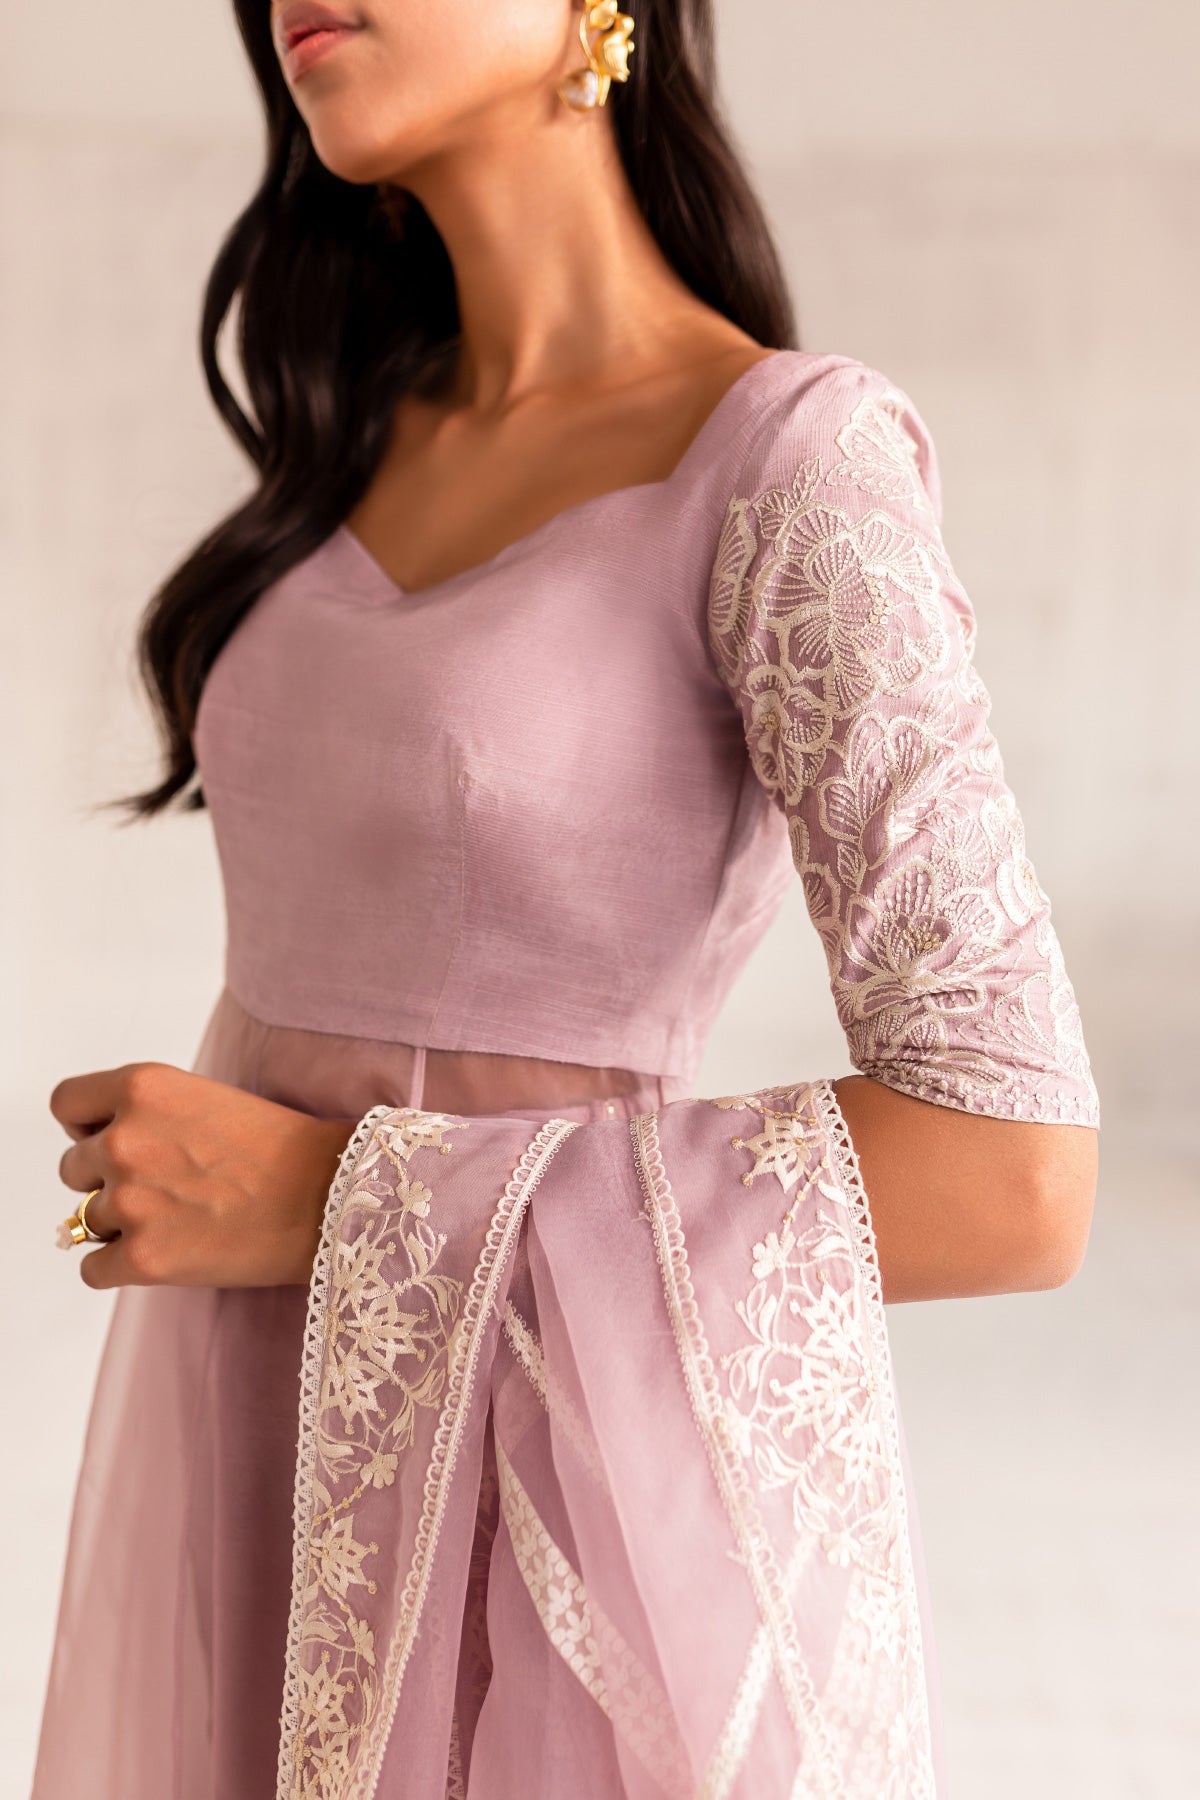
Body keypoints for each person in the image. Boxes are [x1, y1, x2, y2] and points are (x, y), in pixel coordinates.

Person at [33, 2, 1100, 1796]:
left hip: (526, 1510)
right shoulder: (353, 439)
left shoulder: (784, 464)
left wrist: (335, 1200)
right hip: (230, 1426)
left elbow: (1015, 1172)